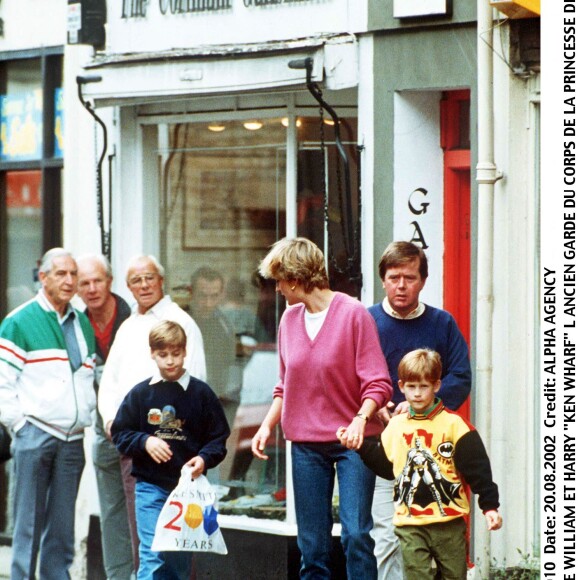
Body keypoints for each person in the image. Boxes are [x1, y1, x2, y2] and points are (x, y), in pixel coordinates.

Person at [250, 237, 392, 580]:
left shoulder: (353, 313)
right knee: (312, 544)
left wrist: (360, 420)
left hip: (354, 442)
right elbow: (286, 383)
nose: (279, 288)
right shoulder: (289, 320)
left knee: (356, 534)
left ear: (296, 279)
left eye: (280, 280)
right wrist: (267, 425)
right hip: (306, 445)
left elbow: (378, 382)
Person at [339, 349, 502, 580]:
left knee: (454, 576)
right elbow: (387, 469)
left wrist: (490, 506)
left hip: (449, 522)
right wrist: (361, 447)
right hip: (410, 523)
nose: (417, 394)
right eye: (411, 387)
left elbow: (478, 470)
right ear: (401, 386)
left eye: (423, 386)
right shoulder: (395, 427)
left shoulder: (455, 425)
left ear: (436, 385)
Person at [368, 241, 472, 579]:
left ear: (423, 281)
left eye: (410, 278)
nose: (401, 285)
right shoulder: (366, 321)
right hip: (385, 449)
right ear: (383, 279)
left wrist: (419, 408)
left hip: (437, 453)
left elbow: (460, 376)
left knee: (442, 544)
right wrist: (378, 405)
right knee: (387, 538)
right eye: (394, 277)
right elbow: (348, 374)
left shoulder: (441, 324)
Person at [99, 254, 206, 571]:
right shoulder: (129, 326)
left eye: (149, 277)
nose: (143, 285)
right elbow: (110, 381)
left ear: (161, 280)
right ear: (128, 287)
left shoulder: (181, 321)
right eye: (135, 280)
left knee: (179, 538)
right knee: (143, 536)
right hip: (135, 445)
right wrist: (110, 420)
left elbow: (196, 383)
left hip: (176, 449)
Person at [0, 248, 96, 580]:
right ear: (43, 278)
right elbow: (2, 383)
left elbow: (86, 375)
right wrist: (20, 427)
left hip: (73, 440)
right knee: (27, 525)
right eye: (61, 274)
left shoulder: (82, 320)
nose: (70, 281)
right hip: (35, 434)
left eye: (74, 275)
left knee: (62, 527)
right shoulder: (19, 321)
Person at [111, 320, 230, 579]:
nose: (170, 361)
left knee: (178, 559)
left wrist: (203, 459)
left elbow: (218, 438)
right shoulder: (141, 394)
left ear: (185, 352)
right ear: (152, 353)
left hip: (187, 491)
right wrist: (144, 441)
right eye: (163, 354)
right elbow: (120, 433)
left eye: (176, 354)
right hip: (150, 488)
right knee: (153, 554)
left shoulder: (201, 394)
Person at [76, 253, 133, 580]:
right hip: (101, 433)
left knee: (138, 510)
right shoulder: (78, 324)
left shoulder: (132, 319)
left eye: (98, 280)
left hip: (136, 431)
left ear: (110, 282)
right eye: (85, 283)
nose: (92, 288)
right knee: (111, 513)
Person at [190, 267, 239, 431]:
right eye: (203, 296)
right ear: (192, 293)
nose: (208, 303)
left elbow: (229, 368)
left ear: (222, 294)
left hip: (215, 401)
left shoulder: (225, 326)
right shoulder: (182, 321)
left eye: (214, 296)